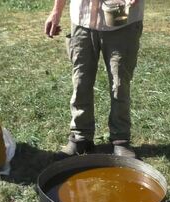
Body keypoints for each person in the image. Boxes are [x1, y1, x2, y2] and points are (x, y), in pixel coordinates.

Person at [45, 0, 144, 158]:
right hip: (82, 20)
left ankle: (120, 139)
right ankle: (80, 137)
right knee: (80, 81)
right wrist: (56, 11)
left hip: (123, 21)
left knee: (120, 84)